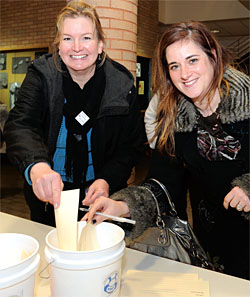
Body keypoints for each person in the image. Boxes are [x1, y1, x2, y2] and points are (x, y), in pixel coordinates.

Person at [83, 21, 250, 280]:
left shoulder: (247, 103)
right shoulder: (176, 119)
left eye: (192, 60)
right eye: (174, 66)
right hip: (213, 243)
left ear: (213, 57)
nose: (184, 73)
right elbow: (163, 185)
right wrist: (120, 206)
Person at [4, 0, 143, 226]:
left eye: (86, 38)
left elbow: (130, 146)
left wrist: (108, 180)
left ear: (100, 45)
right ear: (59, 45)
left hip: (101, 198)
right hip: (49, 198)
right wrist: (37, 166)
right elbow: (20, 125)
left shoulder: (121, 83)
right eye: (68, 38)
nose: (77, 47)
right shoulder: (41, 75)